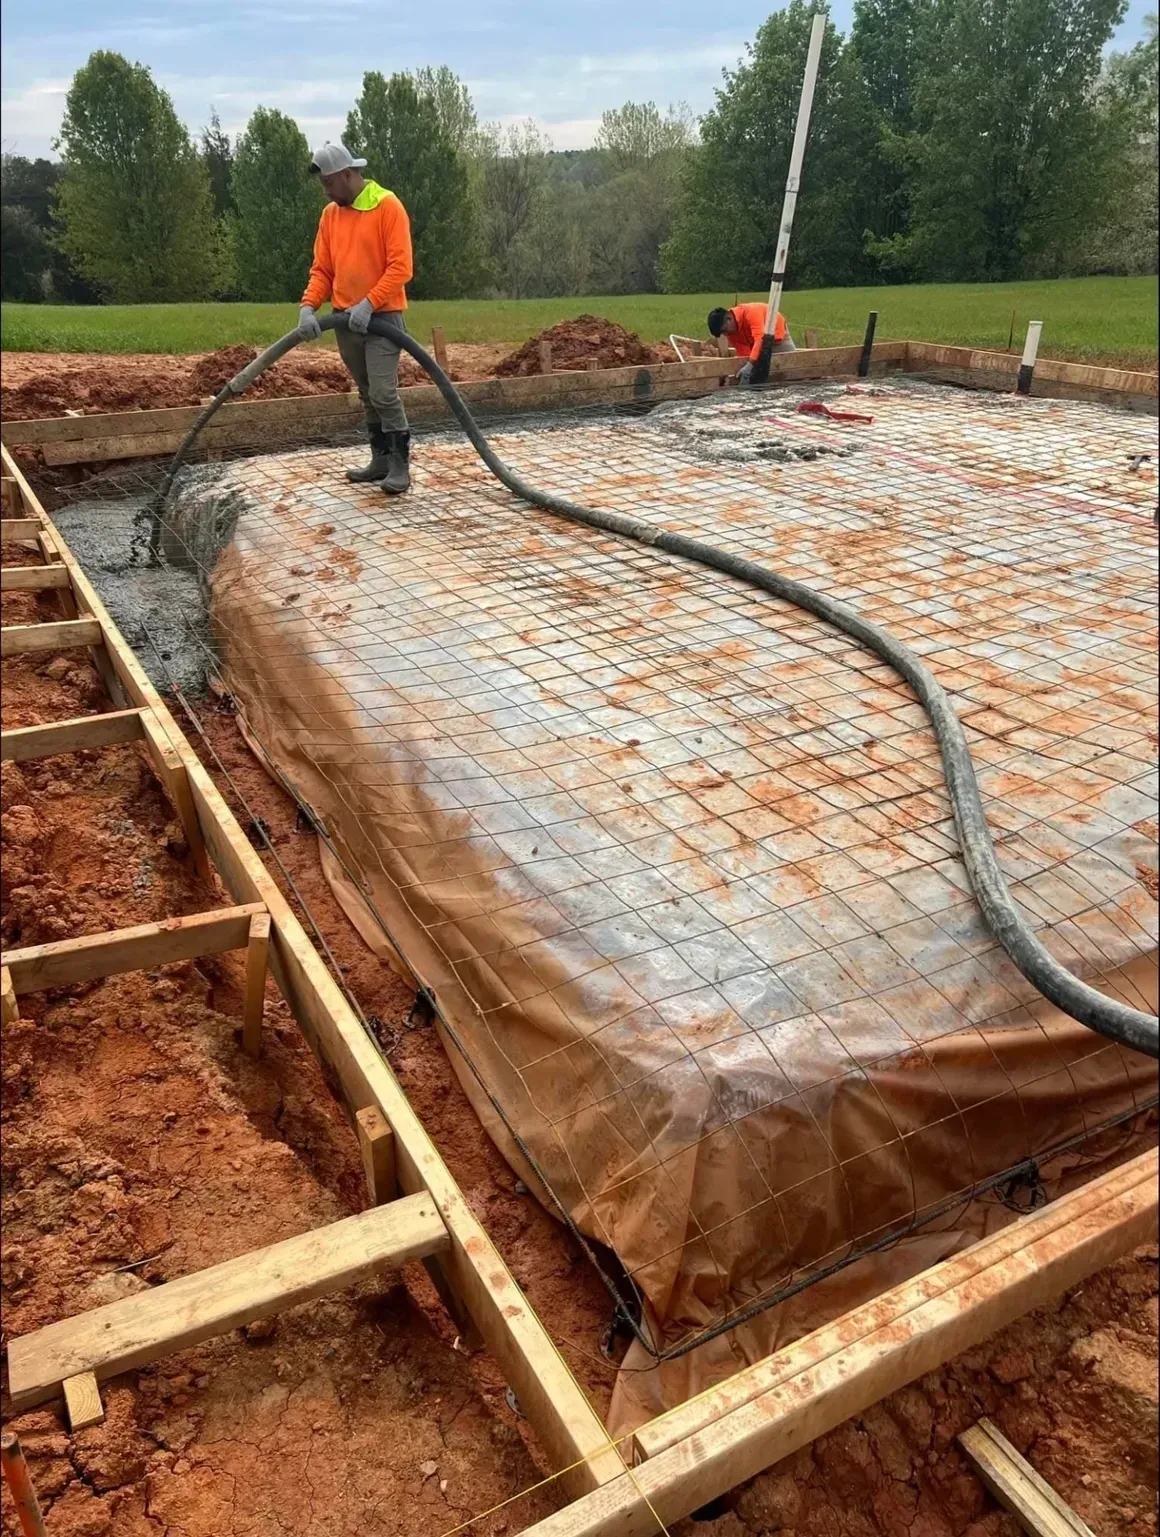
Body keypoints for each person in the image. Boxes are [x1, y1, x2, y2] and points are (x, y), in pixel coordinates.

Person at [298, 142, 414, 495]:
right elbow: (323, 270)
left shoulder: (387, 206)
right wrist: (308, 306)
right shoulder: (330, 216)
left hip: (382, 320)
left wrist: (369, 303)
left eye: (329, 183)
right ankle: (379, 459)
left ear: (347, 175)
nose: (327, 191)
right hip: (346, 322)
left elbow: (401, 267)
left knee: (383, 392)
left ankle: (399, 465)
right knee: (367, 394)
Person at [707, 302, 795, 386]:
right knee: (760, 370)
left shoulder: (751, 312)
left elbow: (760, 339)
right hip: (755, 341)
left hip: (776, 334)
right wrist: (745, 370)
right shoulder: (731, 333)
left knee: (792, 366)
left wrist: (750, 365)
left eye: (725, 330)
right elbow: (744, 353)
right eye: (723, 333)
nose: (725, 334)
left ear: (729, 319)